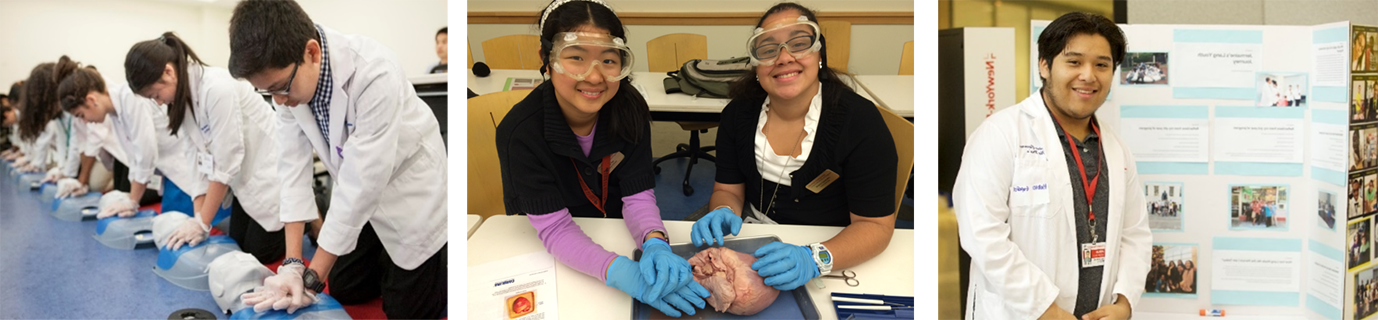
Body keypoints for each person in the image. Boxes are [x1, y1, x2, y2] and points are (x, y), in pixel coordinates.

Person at [226, 0, 448, 316]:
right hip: (357, 191)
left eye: (280, 89)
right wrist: (292, 264)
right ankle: (383, 256)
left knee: (406, 311)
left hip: (409, 190)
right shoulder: (289, 83)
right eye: (268, 93)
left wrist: (311, 280)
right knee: (346, 288)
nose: (279, 102)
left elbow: (363, 183)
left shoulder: (374, 72)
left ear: (312, 53)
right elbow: (291, 170)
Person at [490, 0, 709, 317]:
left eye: (608, 60)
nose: (594, 77)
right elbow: (554, 229)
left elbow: (637, 195)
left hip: (616, 230)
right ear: (547, 59)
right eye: (576, 58)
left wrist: (655, 241)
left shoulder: (630, 108)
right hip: (556, 249)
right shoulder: (520, 132)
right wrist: (621, 272)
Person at [690, 2, 898, 294]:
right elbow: (729, 190)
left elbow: (875, 227)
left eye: (800, 43)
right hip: (749, 236)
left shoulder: (860, 122)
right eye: (768, 49)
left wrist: (815, 258)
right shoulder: (737, 114)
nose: (785, 57)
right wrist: (724, 209)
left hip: (832, 243)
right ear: (757, 64)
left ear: (819, 53)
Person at [954, 12, 1151, 320]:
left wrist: (1125, 301)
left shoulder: (1115, 149)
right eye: (1074, 62)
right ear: (1044, 66)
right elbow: (982, 235)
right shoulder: (1001, 134)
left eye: (1102, 64)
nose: (1088, 75)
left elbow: (1135, 233)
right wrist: (1045, 308)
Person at [123, 32, 287, 264]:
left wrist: (203, 222)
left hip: (271, 172)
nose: (158, 102)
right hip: (242, 178)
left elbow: (226, 161)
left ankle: (311, 210)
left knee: (258, 254)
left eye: (156, 95)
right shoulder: (184, 100)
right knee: (238, 245)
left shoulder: (216, 87)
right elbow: (195, 161)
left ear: (168, 72)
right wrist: (198, 219)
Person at [55, 55, 206, 215]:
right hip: (169, 171)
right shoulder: (114, 112)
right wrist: (130, 199)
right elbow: (134, 158)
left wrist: (133, 201)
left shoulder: (130, 98)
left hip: (184, 166)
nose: (85, 122)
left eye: (81, 115)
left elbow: (146, 153)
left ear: (91, 100)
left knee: (189, 223)